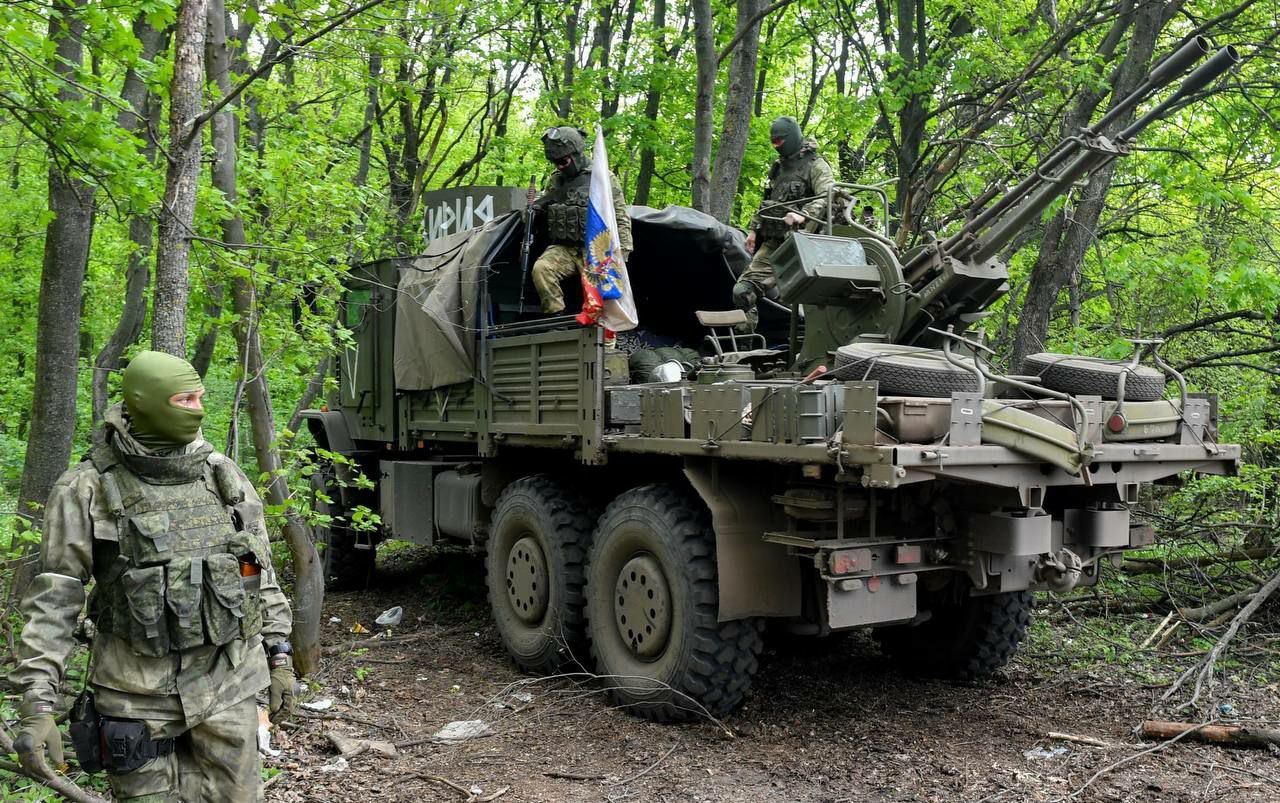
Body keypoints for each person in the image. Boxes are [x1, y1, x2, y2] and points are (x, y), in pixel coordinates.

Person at [11, 350, 296, 802]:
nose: (199, 409)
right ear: (145, 403)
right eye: (185, 399)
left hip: (228, 683)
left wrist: (280, 656)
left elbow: (256, 573)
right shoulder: (84, 489)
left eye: (201, 397)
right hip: (134, 696)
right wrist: (38, 702)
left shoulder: (221, 476)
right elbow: (55, 600)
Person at [735, 116, 836, 332]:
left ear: (791, 138)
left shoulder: (815, 165)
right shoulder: (778, 169)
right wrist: (754, 229)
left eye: (780, 141)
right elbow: (769, 201)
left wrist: (804, 215)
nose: (776, 146)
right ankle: (743, 353)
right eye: (773, 141)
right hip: (775, 243)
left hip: (806, 245)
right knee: (742, 292)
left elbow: (829, 195)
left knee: (812, 306)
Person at [530, 125, 633, 319]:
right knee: (542, 269)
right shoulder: (556, 181)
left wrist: (623, 252)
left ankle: (606, 341)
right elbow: (546, 207)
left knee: (604, 294)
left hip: (596, 248)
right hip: (565, 248)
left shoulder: (603, 176)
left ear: (575, 153)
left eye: (563, 161)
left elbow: (620, 214)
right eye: (555, 162)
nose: (559, 166)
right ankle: (556, 317)